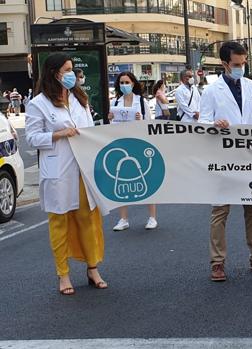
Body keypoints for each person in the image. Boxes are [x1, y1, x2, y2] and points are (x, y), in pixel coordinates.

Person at [25, 53, 108, 295]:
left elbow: (90, 131)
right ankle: (63, 274)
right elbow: (31, 138)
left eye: (72, 69)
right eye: (67, 69)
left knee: (88, 220)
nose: (72, 74)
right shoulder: (38, 103)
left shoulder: (79, 98)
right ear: (54, 73)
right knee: (59, 223)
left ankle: (93, 268)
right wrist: (58, 135)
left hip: (83, 169)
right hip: (58, 170)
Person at [198, 41, 252, 281]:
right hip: (224, 158)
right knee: (220, 211)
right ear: (224, 64)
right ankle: (217, 262)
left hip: (251, 156)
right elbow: (202, 122)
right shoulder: (212, 91)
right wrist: (214, 125)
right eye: (236, 64)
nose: (240, 68)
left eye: (244, 63)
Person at [108, 71, 157, 231]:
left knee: (145, 178)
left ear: (133, 83)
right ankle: (123, 219)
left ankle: (152, 217)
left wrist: (139, 120)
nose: (124, 85)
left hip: (139, 144)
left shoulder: (141, 102)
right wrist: (110, 119)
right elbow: (112, 127)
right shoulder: (115, 103)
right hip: (121, 145)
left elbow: (150, 124)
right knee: (121, 179)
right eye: (121, 83)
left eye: (127, 82)